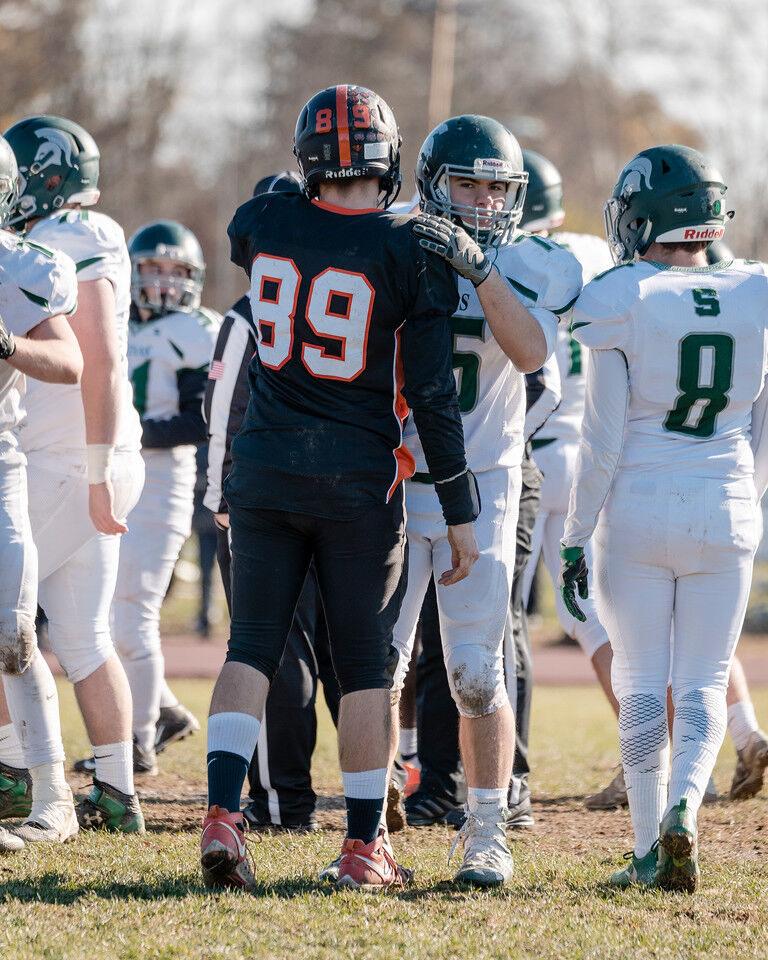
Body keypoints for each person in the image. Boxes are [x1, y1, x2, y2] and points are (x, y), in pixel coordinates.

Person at [200, 84, 480, 892]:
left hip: (263, 467)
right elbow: (431, 395)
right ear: (391, 161)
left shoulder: (267, 221)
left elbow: (253, 226)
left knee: (249, 643)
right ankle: (364, 847)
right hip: (357, 478)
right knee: (363, 664)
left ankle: (223, 816)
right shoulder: (410, 244)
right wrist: (460, 509)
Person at [560, 144, 767, 892]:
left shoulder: (621, 295)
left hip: (639, 509)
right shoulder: (756, 289)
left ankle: (649, 848)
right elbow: (760, 430)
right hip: (727, 506)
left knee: (644, 683)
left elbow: (603, 440)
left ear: (645, 215)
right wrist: (745, 504)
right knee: (707, 682)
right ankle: (685, 806)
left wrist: (574, 535)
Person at [391, 115, 582, 886]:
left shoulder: (529, 262)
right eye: (466, 182)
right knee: (382, 660)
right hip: (400, 472)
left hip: (488, 478)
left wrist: (479, 271)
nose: (479, 198)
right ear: (434, 181)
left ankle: (487, 828)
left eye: (494, 186)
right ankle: (372, 825)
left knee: (476, 669)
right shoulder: (391, 239)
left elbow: (533, 354)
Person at [1, 115, 146, 838]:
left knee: (7, 618)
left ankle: (18, 777)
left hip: (68, 459)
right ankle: (117, 792)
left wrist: (93, 471)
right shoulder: (89, 236)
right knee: (86, 636)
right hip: (93, 457)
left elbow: (101, 361)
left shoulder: (69, 240)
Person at [204, 169, 341, 833]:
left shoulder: (246, 312)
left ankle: (285, 802)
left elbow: (222, 411)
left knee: (271, 654)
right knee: (356, 654)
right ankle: (384, 784)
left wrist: (216, 498)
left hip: (266, 496)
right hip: (345, 493)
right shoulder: (346, 291)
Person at [99, 220, 217, 776]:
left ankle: (138, 739)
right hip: (111, 475)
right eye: (153, 267)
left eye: (177, 271)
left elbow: (202, 417)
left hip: (163, 482)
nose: (165, 281)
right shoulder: (113, 322)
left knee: (133, 615)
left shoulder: (196, 328)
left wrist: (128, 428)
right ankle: (164, 711)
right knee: (102, 613)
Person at [0, 134, 83, 852]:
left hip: (0, 465)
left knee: (12, 634)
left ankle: (55, 796)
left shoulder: (21, 266)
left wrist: (6, 346)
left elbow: (68, 360)